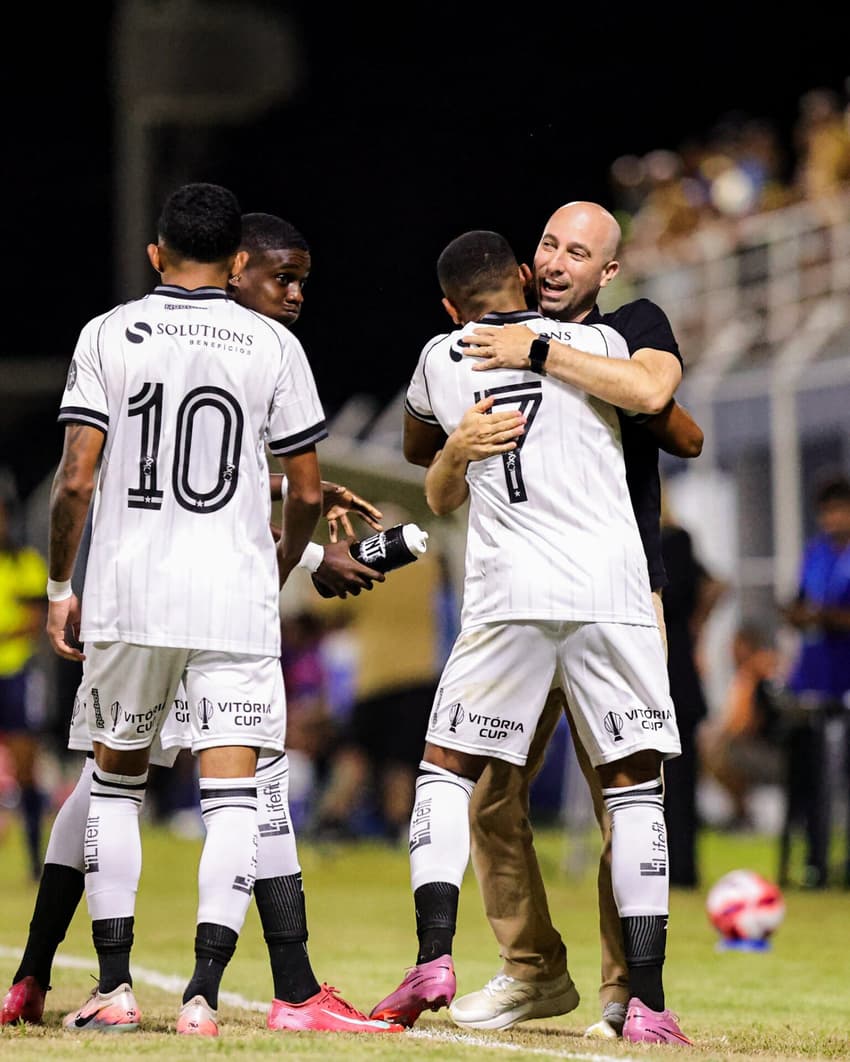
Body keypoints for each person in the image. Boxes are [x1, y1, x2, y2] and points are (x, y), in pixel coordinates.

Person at [2, 211, 400, 1036]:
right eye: (281, 277)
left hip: (128, 592)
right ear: (235, 261)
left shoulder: (110, 333)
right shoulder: (271, 349)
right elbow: (304, 490)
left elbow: (77, 480)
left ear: (156, 251)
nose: (291, 295)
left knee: (111, 786)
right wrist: (295, 557)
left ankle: (106, 985)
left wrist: (60, 585)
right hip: (229, 601)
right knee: (240, 798)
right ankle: (205, 998)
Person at [369, 229, 691, 1045]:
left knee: (458, 771)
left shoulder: (622, 328)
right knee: (585, 792)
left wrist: (534, 351)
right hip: (598, 599)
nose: (556, 260)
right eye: (547, 245)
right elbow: (436, 475)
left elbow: (669, 414)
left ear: (609, 271)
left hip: (547, 597)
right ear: (524, 268)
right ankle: (541, 972)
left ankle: (605, 989)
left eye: (576, 252)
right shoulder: (604, 343)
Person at [778, 474, 850, 888]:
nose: (833, 519)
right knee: (811, 780)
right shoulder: (816, 553)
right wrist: (797, 613)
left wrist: (824, 617)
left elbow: (827, 612)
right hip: (814, 680)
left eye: (840, 510)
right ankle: (815, 864)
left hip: (845, 677)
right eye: (828, 511)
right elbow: (803, 600)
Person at [659, 491, 727, 885]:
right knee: (673, 779)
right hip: (672, 667)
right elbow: (716, 585)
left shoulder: (671, 540)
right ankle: (673, 868)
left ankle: (680, 869)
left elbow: (707, 588)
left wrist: (696, 627)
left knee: (678, 780)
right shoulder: (673, 539)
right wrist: (698, 626)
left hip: (672, 672)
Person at [0, 491, 49, 881]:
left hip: (14, 675)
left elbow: (34, 620)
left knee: (26, 770)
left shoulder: (25, 563)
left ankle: (35, 858)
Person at [698, 622, 785, 829]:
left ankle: (742, 814)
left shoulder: (757, 672)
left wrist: (718, 738)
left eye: (738, 645)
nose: (733, 651)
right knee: (713, 750)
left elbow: (746, 723)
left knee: (719, 755)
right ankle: (741, 813)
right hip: (772, 752)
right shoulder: (756, 671)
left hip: (774, 755)